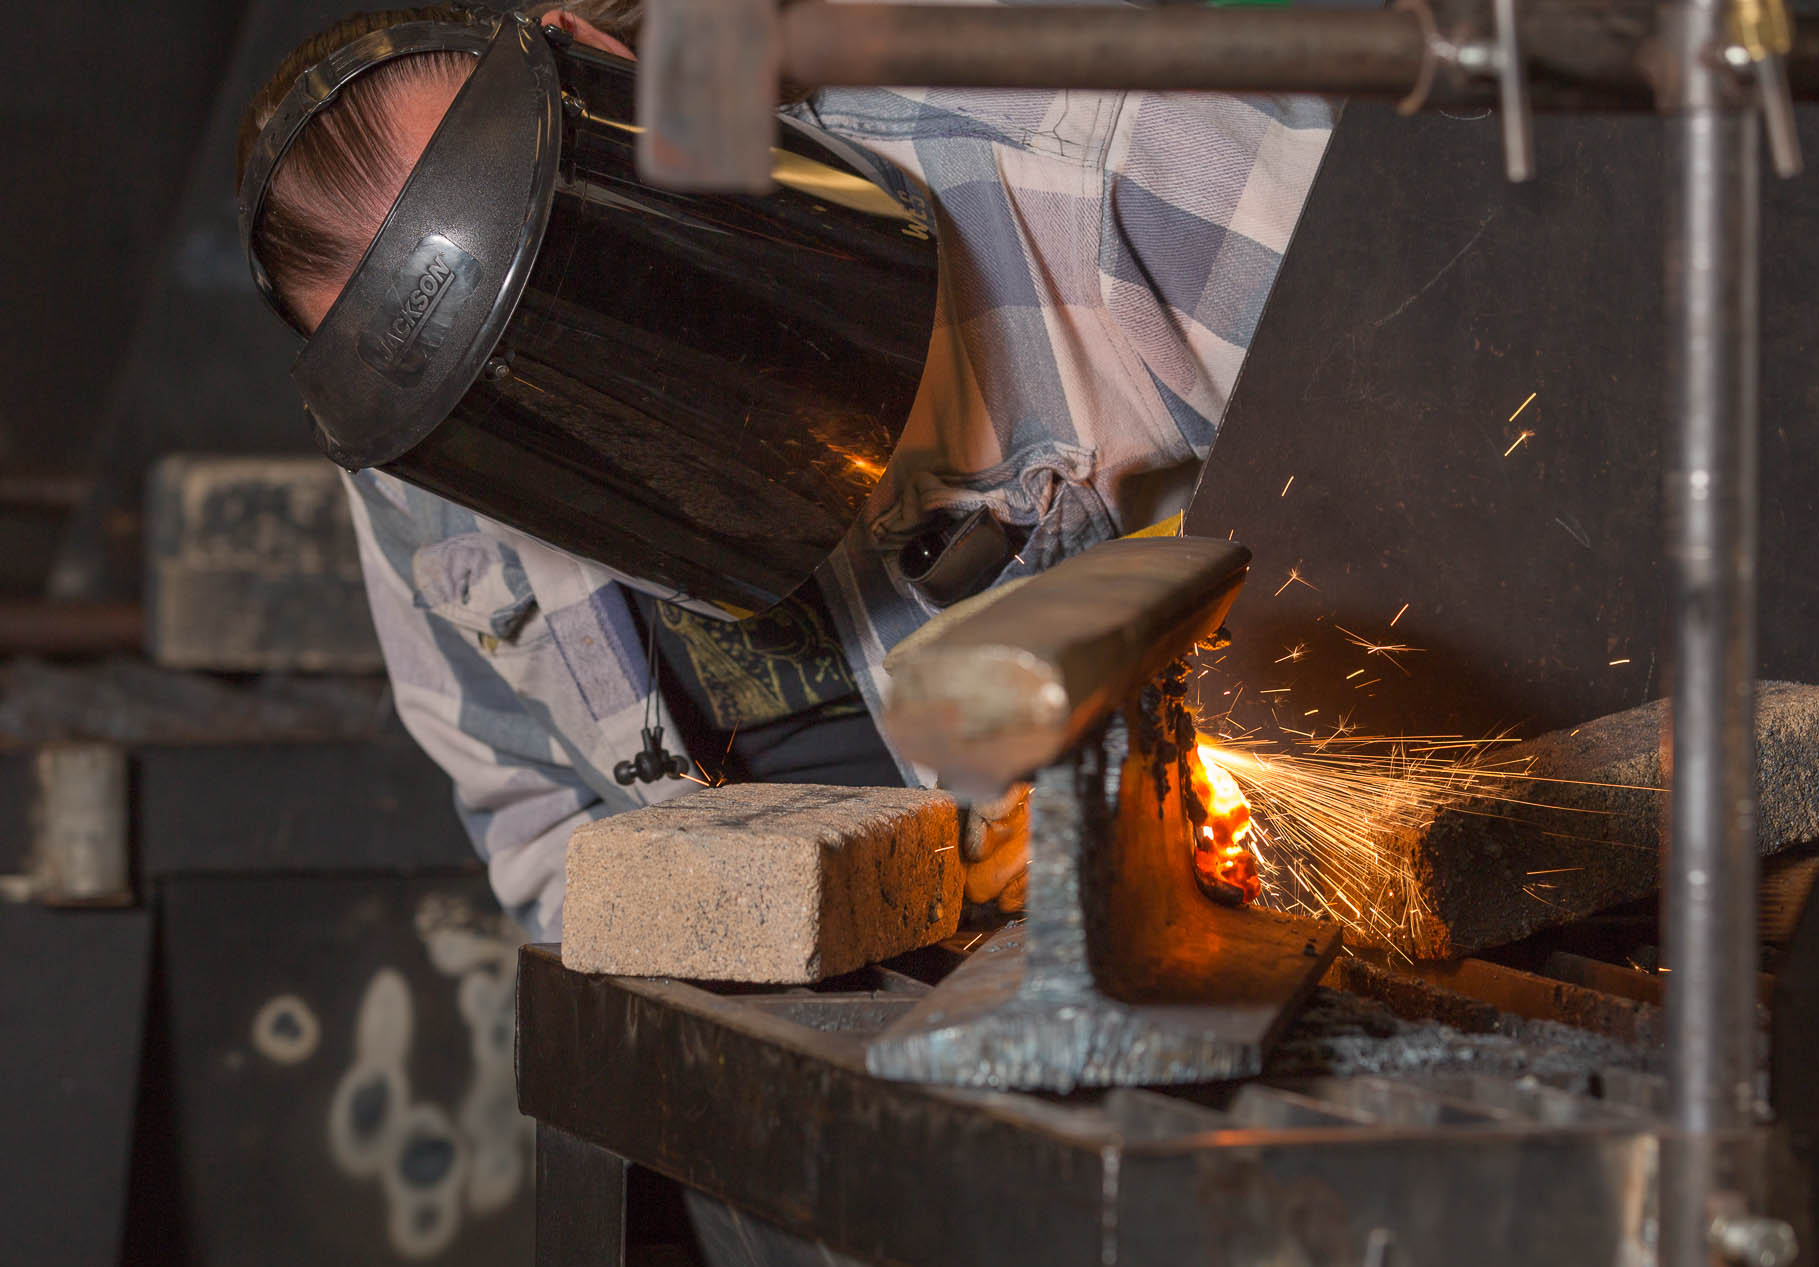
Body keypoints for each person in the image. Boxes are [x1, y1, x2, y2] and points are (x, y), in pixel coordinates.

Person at [239, 2, 1334, 940]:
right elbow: (539, 828)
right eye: (482, 377)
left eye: (556, 278)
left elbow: (1470, 464)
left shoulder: (1091, 163)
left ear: (597, 67)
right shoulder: (427, 460)